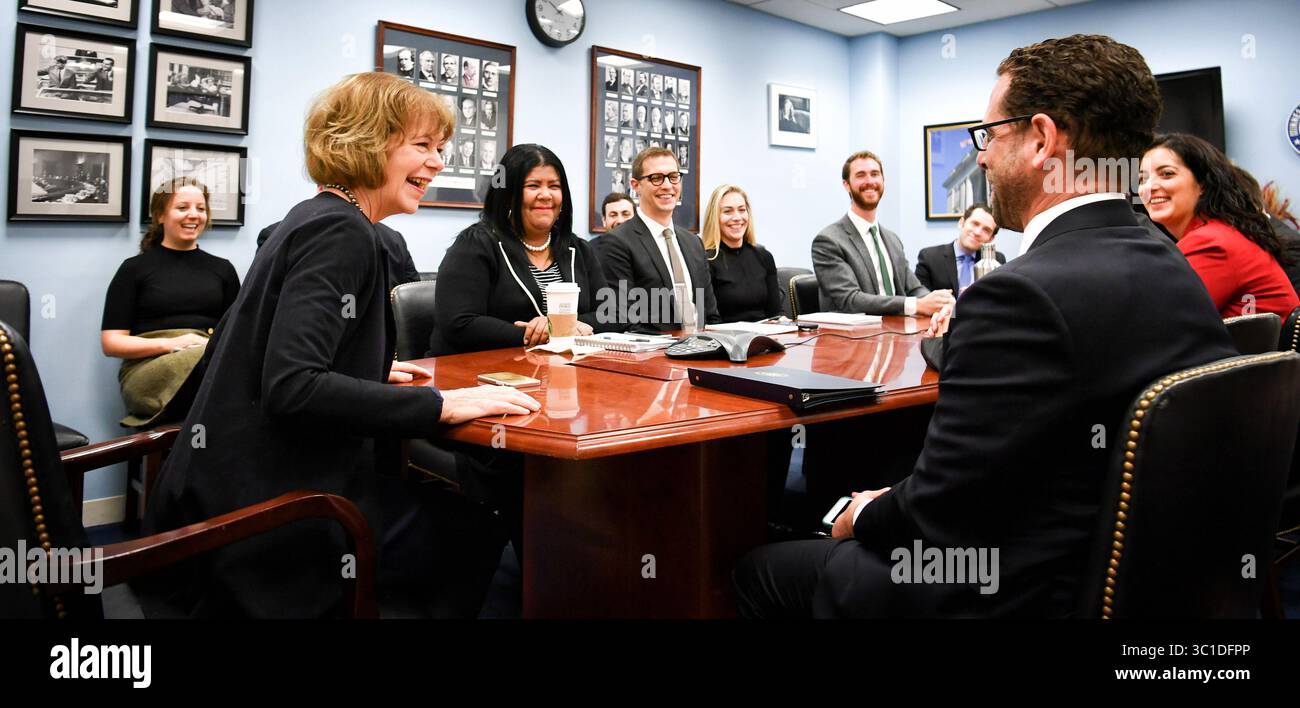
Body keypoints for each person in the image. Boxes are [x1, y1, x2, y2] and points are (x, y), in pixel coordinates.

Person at [734, 34, 1237, 619]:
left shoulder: (1019, 292)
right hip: (1146, 579)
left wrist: (862, 512)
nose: (981, 157)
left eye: (989, 135)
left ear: (1042, 139)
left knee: (758, 570)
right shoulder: (1168, 259)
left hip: (1012, 589)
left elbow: (935, 516)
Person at [144, 71, 539, 618]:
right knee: (477, 519)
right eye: (422, 146)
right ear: (368, 142)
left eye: (440, 148)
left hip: (214, 495)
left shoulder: (314, 217)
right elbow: (294, 387)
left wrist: (370, 370)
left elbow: (274, 354)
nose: (438, 162)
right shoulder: (344, 232)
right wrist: (442, 404)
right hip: (267, 521)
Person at [101, 177, 239, 428]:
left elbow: (237, 332)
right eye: (182, 207)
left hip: (207, 364)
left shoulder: (223, 270)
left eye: (200, 208)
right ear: (160, 215)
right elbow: (111, 343)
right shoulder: (134, 270)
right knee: (214, 364)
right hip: (147, 373)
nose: (193, 215)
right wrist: (174, 344)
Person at [1139, 133, 1298, 318]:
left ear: (1203, 184)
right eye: (1143, 179)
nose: (1149, 187)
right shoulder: (1222, 231)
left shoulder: (1210, 242)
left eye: (1167, 174)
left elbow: (1157, 321)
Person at [812, 151, 953, 316]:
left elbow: (914, 288)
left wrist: (937, 302)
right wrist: (915, 305)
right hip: (855, 338)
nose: (869, 181)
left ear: (883, 181)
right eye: (860, 175)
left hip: (898, 332)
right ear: (846, 185)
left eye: (875, 174)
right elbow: (849, 300)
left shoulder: (892, 240)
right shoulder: (828, 241)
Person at [594, 147, 720, 330]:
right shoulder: (616, 243)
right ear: (635, 186)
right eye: (656, 178)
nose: (668, 185)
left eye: (673, 176)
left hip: (703, 350)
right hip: (657, 353)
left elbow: (711, 314)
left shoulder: (693, 242)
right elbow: (624, 321)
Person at [702, 185, 781, 322]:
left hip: (763, 338)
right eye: (728, 211)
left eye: (742, 210)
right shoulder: (705, 261)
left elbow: (776, 313)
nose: (737, 217)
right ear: (715, 218)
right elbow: (707, 320)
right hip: (726, 339)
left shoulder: (764, 256)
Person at [915, 203, 1005, 294]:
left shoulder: (996, 260)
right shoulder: (929, 257)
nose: (978, 232)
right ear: (961, 223)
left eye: (986, 230)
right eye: (975, 224)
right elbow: (921, 299)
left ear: (991, 238)